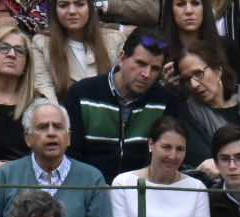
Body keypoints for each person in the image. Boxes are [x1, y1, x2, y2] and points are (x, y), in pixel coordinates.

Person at [0, 100, 113, 217]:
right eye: (43, 127)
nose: (51, 133)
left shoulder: (91, 178)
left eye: (58, 127)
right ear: (28, 138)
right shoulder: (6, 175)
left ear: (68, 137)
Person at [64, 27, 177, 181]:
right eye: (140, 63)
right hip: (90, 190)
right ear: (122, 58)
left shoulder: (163, 101)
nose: (146, 74)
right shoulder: (82, 94)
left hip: (141, 191)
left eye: (155, 68)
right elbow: (70, 157)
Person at [176, 40, 240, 170]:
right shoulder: (187, 113)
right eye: (187, 79)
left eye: (198, 73)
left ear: (218, 69)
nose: (193, 84)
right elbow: (203, 156)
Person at [33, 0, 123, 103]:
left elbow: (124, 88)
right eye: (63, 5)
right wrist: (58, 117)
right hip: (64, 115)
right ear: (55, 11)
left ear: (90, 8)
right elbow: (44, 89)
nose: (72, 11)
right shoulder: (41, 43)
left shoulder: (115, 40)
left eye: (79, 4)